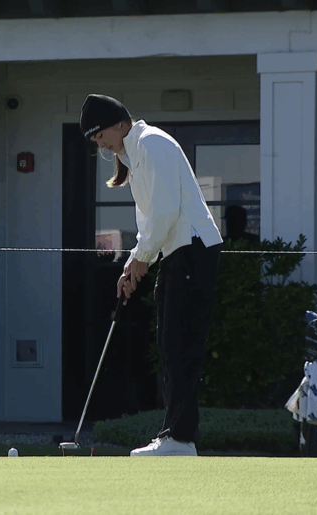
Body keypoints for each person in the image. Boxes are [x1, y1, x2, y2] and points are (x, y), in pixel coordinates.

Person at [79, 94, 223, 457]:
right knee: (170, 347)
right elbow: (150, 222)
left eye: (100, 136)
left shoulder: (152, 144)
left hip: (191, 252)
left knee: (180, 347)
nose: (101, 144)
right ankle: (174, 435)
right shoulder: (135, 156)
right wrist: (134, 261)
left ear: (118, 123)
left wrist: (142, 257)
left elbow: (165, 212)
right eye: (95, 141)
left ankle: (181, 439)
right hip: (177, 254)